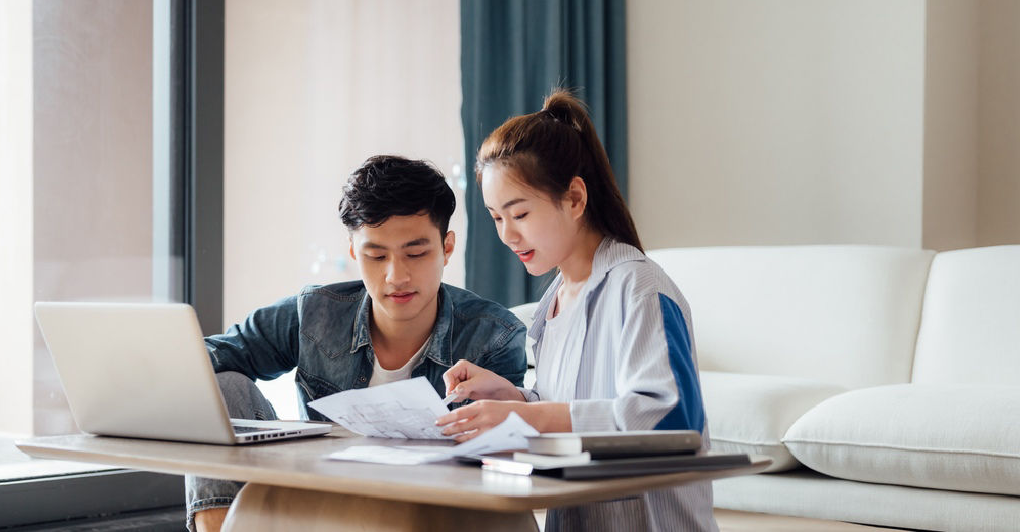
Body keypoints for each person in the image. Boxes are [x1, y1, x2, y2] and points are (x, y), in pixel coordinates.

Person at [186, 155, 528, 532]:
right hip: (316, 493)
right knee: (219, 386)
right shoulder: (315, 312)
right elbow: (210, 354)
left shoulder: (494, 336)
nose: (396, 275)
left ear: (447, 248)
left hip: (434, 508)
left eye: (416, 253)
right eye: (376, 255)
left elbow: (499, 462)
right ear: (353, 251)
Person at [435, 91, 717, 531]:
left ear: (575, 198)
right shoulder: (553, 301)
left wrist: (527, 416)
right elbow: (568, 408)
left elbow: (668, 420)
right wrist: (514, 398)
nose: (507, 235)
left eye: (520, 213)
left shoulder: (640, 287)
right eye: (495, 218)